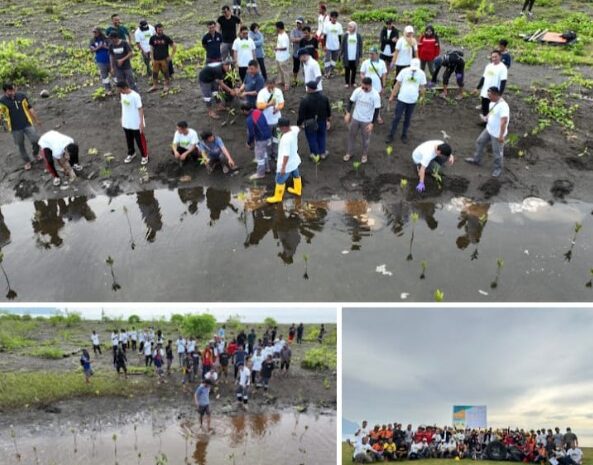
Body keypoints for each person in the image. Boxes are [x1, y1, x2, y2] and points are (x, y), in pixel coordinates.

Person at [465, 86, 510, 177]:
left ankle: (498, 169)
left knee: (497, 152)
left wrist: (501, 136)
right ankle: (477, 159)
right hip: (489, 129)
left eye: (489, 95)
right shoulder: (493, 102)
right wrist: (486, 118)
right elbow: (491, 111)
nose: (488, 97)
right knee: (479, 142)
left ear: (495, 95)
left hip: (497, 134)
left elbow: (504, 122)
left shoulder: (503, 106)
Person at [0, 83, 41, 171]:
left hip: (27, 123)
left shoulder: (22, 96)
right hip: (15, 128)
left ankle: (36, 153)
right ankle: (27, 161)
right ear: (5, 91)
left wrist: (36, 119)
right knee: (20, 145)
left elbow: (29, 107)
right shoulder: (2, 101)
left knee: (36, 140)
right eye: (11, 91)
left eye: (14, 90)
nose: (13, 92)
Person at [386, 58, 427, 144]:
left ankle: (404, 134)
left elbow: (422, 87)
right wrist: (392, 96)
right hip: (402, 98)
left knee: (408, 118)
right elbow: (397, 84)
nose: (414, 70)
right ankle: (391, 134)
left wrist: (422, 98)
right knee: (397, 117)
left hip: (412, 100)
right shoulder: (404, 71)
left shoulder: (422, 74)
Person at [343, 77, 381, 164]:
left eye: (365, 87)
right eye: (362, 87)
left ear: (370, 85)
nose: (363, 89)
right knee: (351, 136)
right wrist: (348, 113)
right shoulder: (358, 91)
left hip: (367, 120)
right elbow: (350, 102)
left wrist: (372, 123)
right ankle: (349, 153)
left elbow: (377, 110)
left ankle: (364, 154)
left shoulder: (375, 95)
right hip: (355, 118)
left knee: (366, 139)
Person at [266, 117, 302, 203]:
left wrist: (283, 168)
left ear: (285, 127)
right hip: (294, 160)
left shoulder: (286, 139)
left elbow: (286, 155)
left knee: (279, 180)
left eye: (280, 128)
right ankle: (297, 190)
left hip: (287, 164)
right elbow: (298, 128)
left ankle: (277, 197)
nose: (279, 129)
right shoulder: (294, 129)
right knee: (296, 175)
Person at [297, 80, 331, 161]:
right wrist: (328, 120)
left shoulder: (305, 100)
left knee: (312, 138)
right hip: (322, 121)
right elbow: (328, 110)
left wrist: (299, 123)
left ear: (309, 88)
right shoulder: (324, 98)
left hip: (309, 123)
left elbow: (301, 113)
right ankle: (322, 153)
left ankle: (315, 155)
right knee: (322, 136)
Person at [116, 81, 148, 165]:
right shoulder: (122, 94)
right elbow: (123, 107)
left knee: (139, 140)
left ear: (125, 88)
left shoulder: (135, 96)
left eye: (120, 90)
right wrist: (122, 117)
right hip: (126, 121)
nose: (119, 92)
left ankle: (144, 155)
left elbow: (140, 109)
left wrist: (141, 122)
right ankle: (131, 153)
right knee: (128, 139)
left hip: (135, 122)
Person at [256, 78, 284, 160]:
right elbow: (259, 106)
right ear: (266, 85)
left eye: (272, 87)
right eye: (269, 87)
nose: (271, 88)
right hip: (266, 121)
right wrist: (269, 104)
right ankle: (267, 155)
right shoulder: (262, 93)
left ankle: (276, 154)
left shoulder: (278, 91)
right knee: (267, 139)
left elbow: (281, 103)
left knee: (277, 138)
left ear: (275, 85)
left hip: (277, 120)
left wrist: (278, 108)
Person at [242, 102, 271, 180]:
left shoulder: (249, 119)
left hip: (261, 139)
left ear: (244, 110)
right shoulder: (258, 112)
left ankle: (260, 174)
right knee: (264, 153)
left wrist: (248, 143)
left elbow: (251, 134)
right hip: (268, 136)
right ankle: (267, 168)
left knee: (260, 157)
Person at [359, 47, 387, 123]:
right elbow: (361, 73)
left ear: (377, 54)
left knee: (377, 101)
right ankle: (367, 115)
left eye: (372, 54)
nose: (370, 55)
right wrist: (364, 81)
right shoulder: (365, 62)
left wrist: (383, 86)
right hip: (367, 86)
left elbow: (384, 75)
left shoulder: (382, 63)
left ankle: (378, 116)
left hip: (377, 86)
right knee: (367, 100)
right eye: (369, 54)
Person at [476, 50, 507, 117]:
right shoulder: (489, 66)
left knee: (492, 109)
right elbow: (483, 78)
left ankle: (490, 123)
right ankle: (485, 122)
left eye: (496, 57)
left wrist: (499, 94)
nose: (494, 58)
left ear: (500, 57)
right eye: (493, 57)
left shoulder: (503, 68)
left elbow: (503, 82)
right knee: (485, 107)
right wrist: (478, 88)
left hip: (494, 93)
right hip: (485, 91)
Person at [149, 23, 176, 92]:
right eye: (159, 30)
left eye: (161, 30)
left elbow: (174, 46)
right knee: (155, 73)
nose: (160, 31)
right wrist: (152, 59)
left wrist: (171, 56)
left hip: (164, 59)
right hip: (155, 59)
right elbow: (151, 49)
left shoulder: (166, 38)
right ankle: (155, 85)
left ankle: (166, 85)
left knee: (165, 73)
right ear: (155, 30)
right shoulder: (152, 38)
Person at [90, 27, 113, 94]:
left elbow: (112, 48)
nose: (94, 33)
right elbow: (91, 50)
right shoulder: (92, 40)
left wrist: (105, 47)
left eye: (95, 32)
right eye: (93, 32)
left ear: (99, 32)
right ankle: (108, 89)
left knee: (114, 73)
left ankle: (118, 86)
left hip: (109, 59)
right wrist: (99, 47)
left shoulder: (106, 39)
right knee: (104, 76)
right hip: (100, 60)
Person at [340, 21, 363, 88]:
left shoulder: (358, 36)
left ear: (354, 28)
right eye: (349, 27)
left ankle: (353, 82)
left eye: (351, 27)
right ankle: (347, 82)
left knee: (354, 70)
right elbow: (342, 45)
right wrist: (341, 54)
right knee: (347, 69)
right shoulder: (346, 35)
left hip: (355, 56)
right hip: (347, 56)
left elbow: (360, 45)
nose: (349, 28)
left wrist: (360, 54)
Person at [322, 11, 342, 78]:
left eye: (335, 17)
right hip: (328, 46)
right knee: (327, 60)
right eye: (332, 17)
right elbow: (325, 36)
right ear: (330, 17)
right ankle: (326, 72)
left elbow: (340, 37)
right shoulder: (327, 25)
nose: (334, 19)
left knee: (334, 60)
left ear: (337, 18)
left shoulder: (339, 25)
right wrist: (324, 45)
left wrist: (340, 45)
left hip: (336, 46)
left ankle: (330, 71)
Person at [275, 22, 291, 91]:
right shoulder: (279, 34)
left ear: (278, 28)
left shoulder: (284, 36)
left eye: (276, 27)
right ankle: (282, 81)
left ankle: (287, 84)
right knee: (280, 70)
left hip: (283, 57)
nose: (275, 29)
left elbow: (285, 48)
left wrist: (277, 49)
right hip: (279, 56)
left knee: (285, 71)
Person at [290, 17, 305, 85]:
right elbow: (293, 39)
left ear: (303, 23)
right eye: (297, 23)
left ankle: (306, 80)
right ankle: (295, 80)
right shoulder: (293, 31)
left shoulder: (305, 30)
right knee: (296, 68)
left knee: (305, 67)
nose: (298, 24)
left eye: (299, 23)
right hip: (296, 53)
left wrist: (297, 39)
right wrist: (301, 38)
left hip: (304, 53)